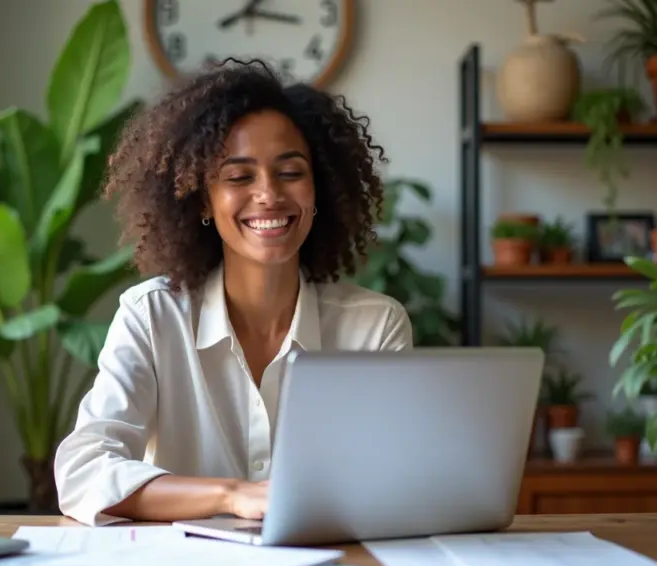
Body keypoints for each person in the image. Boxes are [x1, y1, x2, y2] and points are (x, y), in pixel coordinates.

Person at [53, 59, 413, 526]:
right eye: (239, 177)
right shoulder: (152, 317)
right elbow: (84, 470)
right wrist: (231, 495)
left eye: (290, 172)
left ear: (318, 189)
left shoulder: (375, 328)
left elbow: (395, 478)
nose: (268, 195)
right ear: (203, 198)